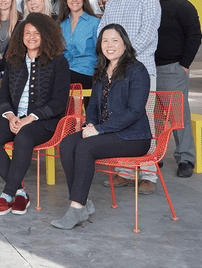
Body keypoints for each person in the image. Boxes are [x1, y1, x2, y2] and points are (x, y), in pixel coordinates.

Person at [53, 24, 152, 229]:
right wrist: (91, 124)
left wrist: (99, 130)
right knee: (66, 144)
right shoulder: (100, 70)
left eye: (115, 40)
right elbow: (94, 107)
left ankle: (76, 207)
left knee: (85, 147)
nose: (109, 45)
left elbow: (134, 111)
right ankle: (80, 204)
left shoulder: (137, 70)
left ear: (125, 43)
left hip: (134, 137)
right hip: (107, 132)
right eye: (105, 40)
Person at [0, 13, 70, 215]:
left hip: (43, 121)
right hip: (14, 117)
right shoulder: (14, 61)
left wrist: (30, 118)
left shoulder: (59, 62)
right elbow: (2, 96)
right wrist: (11, 116)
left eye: (36, 33)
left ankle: (6, 195)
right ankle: (20, 192)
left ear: (46, 35)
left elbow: (59, 102)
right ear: (20, 36)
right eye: (27, 32)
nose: (31, 36)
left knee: (23, 136)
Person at [97, 0, 161, 194]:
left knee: (146, 122)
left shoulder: (149, 1)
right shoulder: (112, 2)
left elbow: (146, 35)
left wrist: (119, 57)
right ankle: (125, 171)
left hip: (140, 71)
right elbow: (103, 32)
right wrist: (109, 57)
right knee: (119, 119)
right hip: (114, 74)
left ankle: (148, 175)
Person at [148, 0, 201, 178]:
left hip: (172, 69)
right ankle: (156, 156)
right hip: (149, 68)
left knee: (178, 116)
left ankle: (185, 158)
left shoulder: (182, 6)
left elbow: (195, 36)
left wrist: (184, 64)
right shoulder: (147, 5)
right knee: (154, 116)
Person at [58, 0, 98, 91]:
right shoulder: (62, 25)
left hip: (87, 72)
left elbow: (100, 53)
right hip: (66, 71)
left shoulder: (95, 23)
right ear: (66, 0)